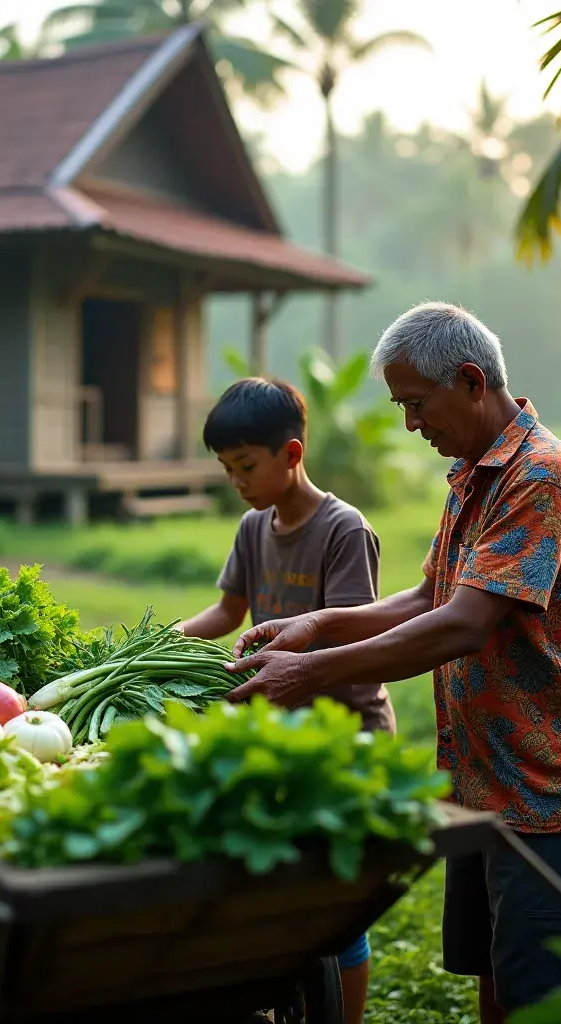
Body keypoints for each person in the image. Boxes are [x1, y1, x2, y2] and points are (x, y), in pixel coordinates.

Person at [225, 302, 561, 1022]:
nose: (412, 424)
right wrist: (317, 624)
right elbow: (429, 596)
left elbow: (463, 625)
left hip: (549, 791)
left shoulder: (539, 476)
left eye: (416, 403)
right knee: (498, 979)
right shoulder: (475, 472)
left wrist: (312, 670)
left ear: (471, 381)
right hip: (485, 779)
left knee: (546, 1001)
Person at [179, 376, 396, 1024]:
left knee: (336, 908)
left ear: (292, 454)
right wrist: (159, 642)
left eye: (246, 466)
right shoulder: (254, 528)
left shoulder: (343, 529)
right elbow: (227, 611)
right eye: (227, 468)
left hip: (345, 735)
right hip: (279, 736)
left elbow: (351, 631)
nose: (236, 481)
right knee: (280, 897)